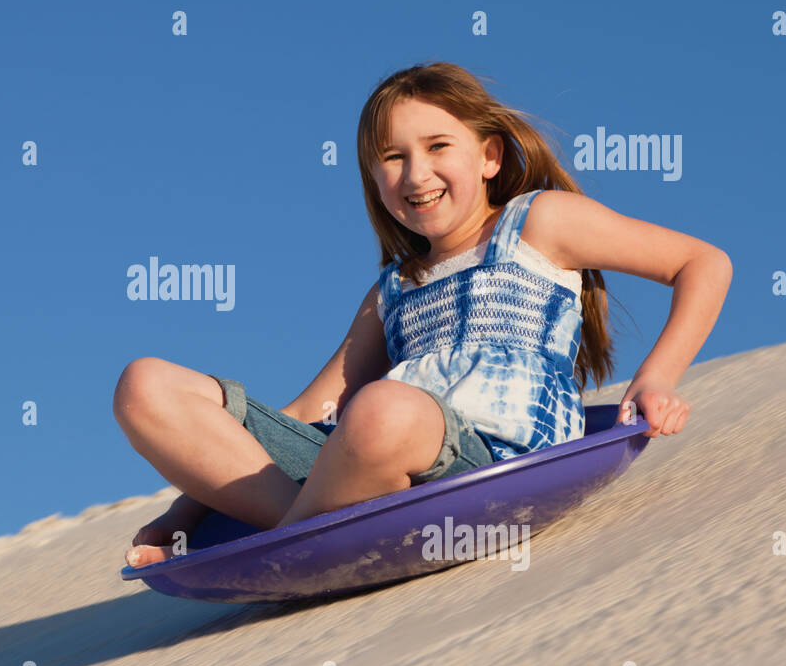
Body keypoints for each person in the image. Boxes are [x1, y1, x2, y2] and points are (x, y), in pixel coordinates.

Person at [115, 62, 732, 569]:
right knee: (145, 384)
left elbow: (701, 263)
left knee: (382, 409)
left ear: (489, 156)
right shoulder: (393, 287)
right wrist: (185, 511)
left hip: (486, 463)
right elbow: (310, 415)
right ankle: (299, 530)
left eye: (438, 146)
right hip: (369, 456)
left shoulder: (538, 223)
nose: (416, 173)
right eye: (391, 157)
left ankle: (290, 544)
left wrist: (657, 377)